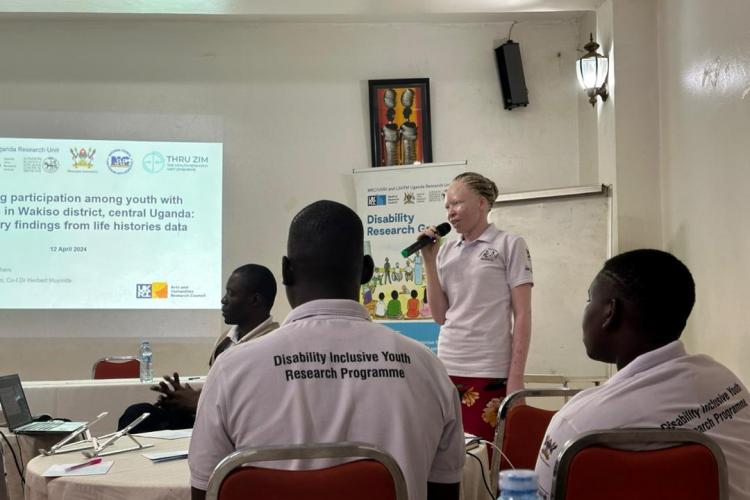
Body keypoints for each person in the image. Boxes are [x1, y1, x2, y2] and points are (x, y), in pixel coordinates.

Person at [189, 200, 465, 500]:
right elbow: (445, 491)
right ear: (367, 271)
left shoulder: (232, 370)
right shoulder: (428, 369)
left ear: (285, 271)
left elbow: (206, 492)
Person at [534, 249, 750, 500]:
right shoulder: (725, 380)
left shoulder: (577, 425)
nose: (585, 312)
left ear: (609, 312)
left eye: (589, 299)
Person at [420, 171, 533, 442]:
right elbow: (439, 316)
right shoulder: (446, 251)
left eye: (457, 203)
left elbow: (523, 314)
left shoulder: (509, 244)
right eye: (447, 206)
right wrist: (429, 261)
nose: (450, 213)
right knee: (449, 453)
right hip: (448, 365)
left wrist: (515, 378)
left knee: (487, 455)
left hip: (489, 367)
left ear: (482, 203)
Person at [117, 264, 278, 432]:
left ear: (255, 301)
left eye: (231, 293)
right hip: (208, 414)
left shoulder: (272, 344)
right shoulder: (226, 339)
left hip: (234, 426)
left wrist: (197, 402)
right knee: (137, 414)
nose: (223, 300)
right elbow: (218, 388)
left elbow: (257, 402)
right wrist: (181, 397)